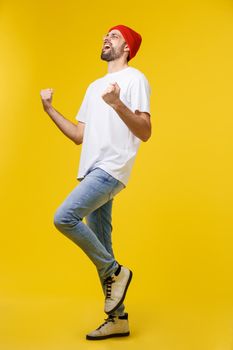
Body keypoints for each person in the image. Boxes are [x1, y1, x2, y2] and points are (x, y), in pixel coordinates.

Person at [40, 24, 151, 340]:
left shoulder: (135, 79)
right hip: (91, 171)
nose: (106, 38)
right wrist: (49, 110)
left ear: (127, 47)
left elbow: (145, 130)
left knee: (64, 217)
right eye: (105, 35)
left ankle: (117, 272)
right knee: (102, 246)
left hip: (112, 169)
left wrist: (117, 103)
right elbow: (78, 135)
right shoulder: (93, 87)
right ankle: (118, 319)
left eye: (114, 36)